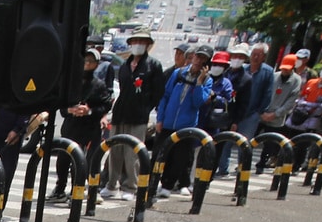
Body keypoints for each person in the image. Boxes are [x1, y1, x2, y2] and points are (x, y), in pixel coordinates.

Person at [103, 27, 163, 200]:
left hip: (138, 116)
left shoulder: (153, 65)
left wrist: (146, 107)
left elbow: (158, 92)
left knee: (133, 153)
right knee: (115, 151)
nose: (138, 45)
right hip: (120, 113)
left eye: (142, 42)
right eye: (135, 41)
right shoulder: (124, 65)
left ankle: (131, 186)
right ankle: (111, 184)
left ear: (148, 45)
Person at [53, 47, 113, 203]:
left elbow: (105, 105)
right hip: (71, 126)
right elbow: (60, 103)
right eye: (85, 60)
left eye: (91, 61)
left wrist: (89, 111)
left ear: (96, 64)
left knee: (80, 161)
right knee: (63, 159)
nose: (87, 64)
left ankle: (77, 191)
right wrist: (69, 109)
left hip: (88, 129)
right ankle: (59, 189)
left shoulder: (99, 85)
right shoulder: (71, 82)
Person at [154, 43, 212, 198]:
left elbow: (198, 102)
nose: (199, 61)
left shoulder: (207, 81)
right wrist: (160, 118)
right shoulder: (178, 73)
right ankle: (153, 182)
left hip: (186, 125)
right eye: (198, 57)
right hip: (167, 123)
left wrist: (199, 82)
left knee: (179, 158)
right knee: (159, 154)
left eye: (204, 59)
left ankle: (167, 185)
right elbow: (165, 96)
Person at [256, 55, 303, 172]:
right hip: (263, 113)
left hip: (277, 117)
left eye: (287, 68)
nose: (285, 70)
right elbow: (264, 93)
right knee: (253, 138)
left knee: (270, 142)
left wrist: (275, 114)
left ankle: (262, 163)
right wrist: (262, 111)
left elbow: (290, 102)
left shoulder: (296, 81)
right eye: (283, 68)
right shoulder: (274, 76)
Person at [214, 43, 252, 177]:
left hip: (229, 117)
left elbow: (243, 103)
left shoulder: (246, 79)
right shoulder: (223, 72)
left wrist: (236, 121)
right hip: (212, 114)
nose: (237, 59)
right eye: (235, 56)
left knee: (222, 145)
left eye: (240, 57)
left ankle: (216, 171)